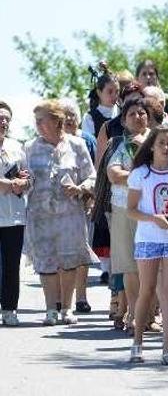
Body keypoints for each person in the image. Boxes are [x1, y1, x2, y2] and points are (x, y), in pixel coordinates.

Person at [24, 100, 97, 326]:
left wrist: (80, 188)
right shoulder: (29, 147)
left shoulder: (77, 145)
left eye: (41, 120)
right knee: (45, 263)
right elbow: (23, 177)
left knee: (69, 261)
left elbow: (92, 176)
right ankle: (50, 310)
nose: (37, 125)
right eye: (36, 121)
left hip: (70, 215)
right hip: (40, 216)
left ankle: (66, 308)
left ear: (57, 121)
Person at [125, 125, 168, 366]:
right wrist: (154, 218)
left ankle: (166, 351)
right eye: (162, 143)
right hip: (147, 237)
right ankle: (137, 343)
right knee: (147, 289)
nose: (167, 147)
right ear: (152, 145)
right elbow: (131, 210)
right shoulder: (140, 173)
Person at [105, 99, 152, 332]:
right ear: (123, 120)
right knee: (130, 264)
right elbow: (113, 174)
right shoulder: (119, 144)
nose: (138, 117)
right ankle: (134, 314)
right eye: (132, 113)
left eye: (142, 113)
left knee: (154, 263)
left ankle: (152, 315)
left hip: (152, 209)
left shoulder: (158, 141)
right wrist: (140, 174)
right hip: (124, 208)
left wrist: (131, 175)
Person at [58, 98, 98, 313]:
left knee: (82, 250)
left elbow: (93, 172)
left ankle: (81, 296)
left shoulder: (87, 140)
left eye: (73, 115)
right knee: (60, 253)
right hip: (57, 209)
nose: (70, 120)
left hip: (82, 202)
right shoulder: (52, 144)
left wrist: (88, 194)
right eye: (66, 116)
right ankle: (61, 297)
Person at [0, 101, 28, 326]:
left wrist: (24, 181)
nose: (3, 122)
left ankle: (10, 308)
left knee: (11, 265)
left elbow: (28, 176)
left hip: (15, 216)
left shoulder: (17, 146)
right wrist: (11, 184)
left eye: (7, 119)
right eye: (0, 117)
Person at [96, 81, 144, 162]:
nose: (134, 106)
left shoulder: (151, 123)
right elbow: (99, 162)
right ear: (121, 102)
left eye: (138, 101)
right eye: (130, 103)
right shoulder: (108, 127)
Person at [83, 70, 120, 138]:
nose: (115, 96)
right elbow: (90, 145)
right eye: (110, 91)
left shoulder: (122, 112)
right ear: (99, 92)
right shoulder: (90, 117)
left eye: (117, 91)